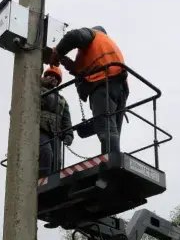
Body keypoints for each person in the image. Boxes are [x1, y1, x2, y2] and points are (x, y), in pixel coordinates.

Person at [48, 25, 129, 154]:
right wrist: (72, 67)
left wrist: (57, 52)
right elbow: (87, 69)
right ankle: (112, 159)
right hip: (120, 88)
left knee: (106, 128)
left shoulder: (93, 34)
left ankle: (111, 163)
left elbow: (73, 36)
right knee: (112, 129)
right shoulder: (106, 45)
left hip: (103, 84)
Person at [39, 65, 73, 178]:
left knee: (57, 161)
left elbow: (66, 120)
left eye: (56, 78)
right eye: (50, 76)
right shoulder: (37, 89)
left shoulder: (62, 100)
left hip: (56, 133)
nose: (53, 79)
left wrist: (69, 134)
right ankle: (42, 180)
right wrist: (40, 82)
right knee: (46, 152)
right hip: (41, 129)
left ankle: (53, 182)